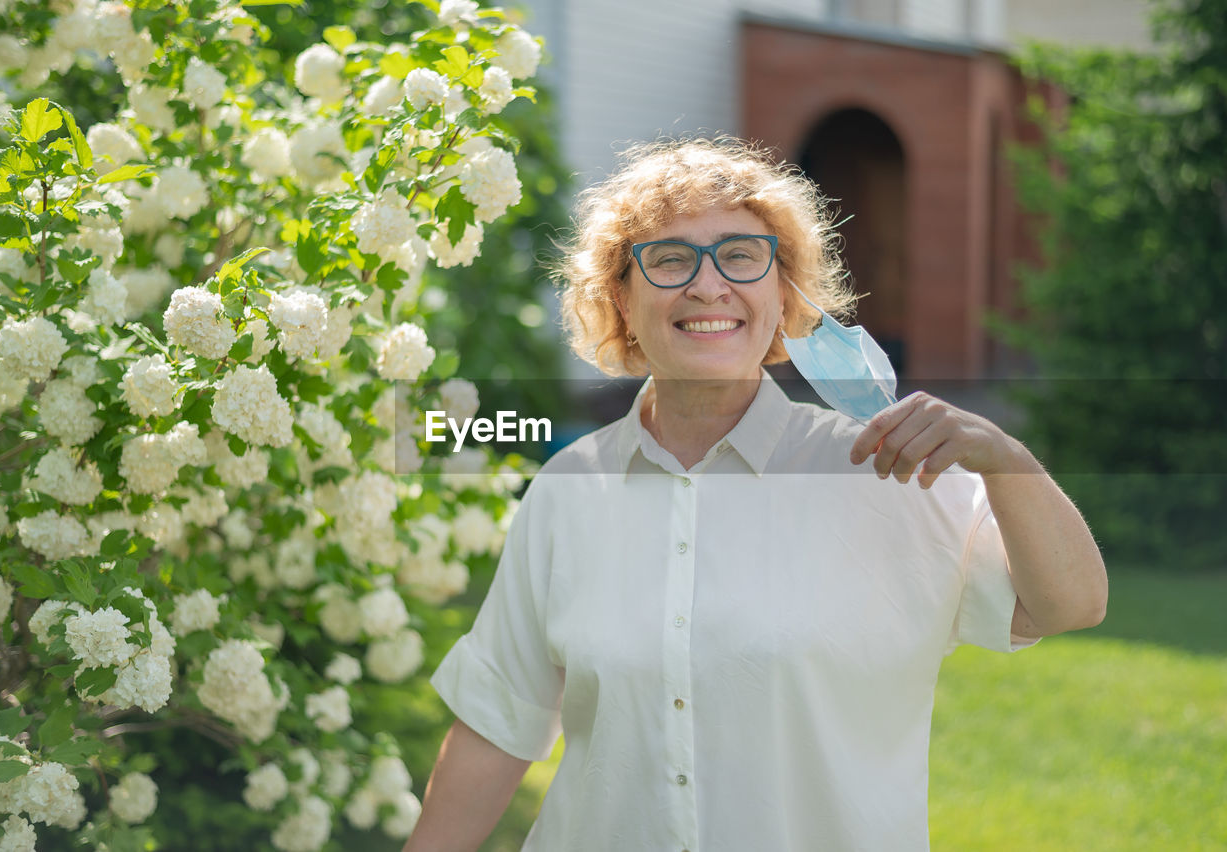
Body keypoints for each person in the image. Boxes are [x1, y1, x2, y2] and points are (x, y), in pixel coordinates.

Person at [403, 137, 1108, 851]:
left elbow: (1071, 603)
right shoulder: (568, 491)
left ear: (784, 293)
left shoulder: (886, 470)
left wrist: (1004, 458)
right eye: (670, 260)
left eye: (741, 257)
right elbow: (497, 725)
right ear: (620, 296)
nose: (709, 287)